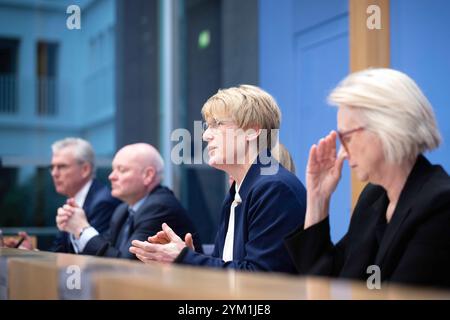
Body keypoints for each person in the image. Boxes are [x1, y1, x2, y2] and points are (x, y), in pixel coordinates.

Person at [284, 68, 450, 288]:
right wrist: (318, 198)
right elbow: (327, 282)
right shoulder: (373, 197)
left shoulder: (440, 204)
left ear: (387, 128)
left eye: (347, 137)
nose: (342, 151)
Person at [130, 85, 306, 273]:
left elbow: (260, 278)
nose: (206, 135)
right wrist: (189, 260)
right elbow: (231, 268)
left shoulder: (275, 188)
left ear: (252, 131)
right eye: (207, 126)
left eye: (217, 124)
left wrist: (185, 259)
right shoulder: (237, 192)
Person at [56, 143, 201, 259]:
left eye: (122, 170)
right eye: (113, 170)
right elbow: (105, 251)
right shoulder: (123, 210)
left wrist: (82, 229)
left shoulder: (159, 206)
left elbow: (124, 266)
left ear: (148, 175)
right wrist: (74, 229)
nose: (111, 176)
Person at [50, 138, 121, 253]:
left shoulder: (103, 202)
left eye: (62, 166)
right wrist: (33, 251)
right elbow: (60, 249)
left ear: (85, 169)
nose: (54, 173)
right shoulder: (71, 201)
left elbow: (97, 253)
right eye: (52, 167)